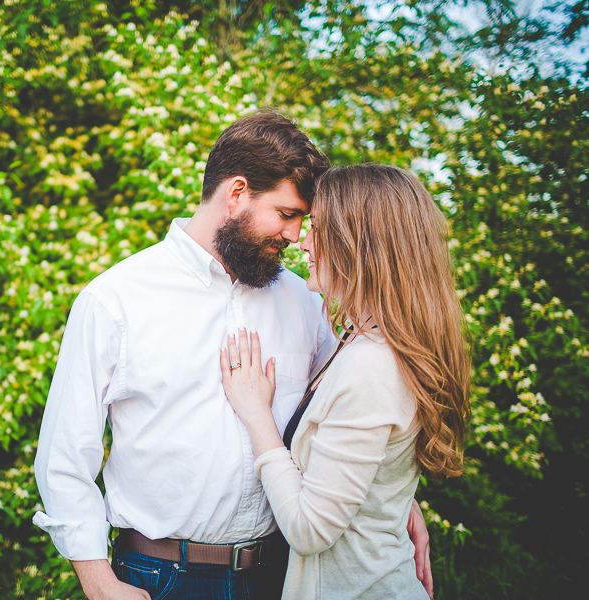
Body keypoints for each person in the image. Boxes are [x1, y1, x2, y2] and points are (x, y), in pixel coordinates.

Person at [33, 112, 433, 600]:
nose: (294, 236)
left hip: (282, 573)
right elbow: (65, 457)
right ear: (237, 193)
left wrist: (398, 503)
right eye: (286, 214)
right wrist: (97, 581)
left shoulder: (305, 300)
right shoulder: (115, 300)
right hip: (159, 576)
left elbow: (350, 425)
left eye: (303, 220)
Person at [220, 164, 470, 600]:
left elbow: (309, 529)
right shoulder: (363, 343)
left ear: (363, 247)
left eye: (319, 228)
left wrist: (257, 414)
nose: (304, 241)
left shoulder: (371, 366)